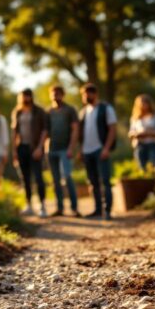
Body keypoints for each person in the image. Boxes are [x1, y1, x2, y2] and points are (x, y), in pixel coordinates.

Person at [79, 83, 118, 220]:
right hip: (87, 151)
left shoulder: (106, 108)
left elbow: (112, 129)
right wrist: (81, 150)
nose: (85, 97)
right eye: (83, 94)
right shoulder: (84, 112)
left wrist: (106, 148)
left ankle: (107, 211)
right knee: (93, 182)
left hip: (100, 150)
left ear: (95, 94)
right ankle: (97, 210)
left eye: (88, 93)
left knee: (105, 181)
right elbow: (81, 133)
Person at [12, 89, 49, 217]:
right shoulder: (18, 111)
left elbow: (45, 131)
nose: (25, 99)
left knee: (38, 177)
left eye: (27, 96)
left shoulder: (39, 111)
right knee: (25, 178)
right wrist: (14, 151)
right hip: (22, 148)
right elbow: (15, 133)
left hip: (35, 149)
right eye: (23, 96)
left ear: (31, 97)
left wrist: (40, 148)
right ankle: (29, 205)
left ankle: (43, 206)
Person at [45, 85, 81, 217]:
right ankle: (59, 208)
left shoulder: (70, 110)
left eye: (58, 94)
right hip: (51, 149)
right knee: (55, 180)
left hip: (65, 149)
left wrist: (71, 147)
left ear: (62, 95)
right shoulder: (49, 112)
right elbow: (45, 131)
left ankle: (74, 208)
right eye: (53, 94)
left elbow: (75, 129)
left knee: (67, 177)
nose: (56, 96)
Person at [129, 94, 155, 170]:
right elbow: (131, 132)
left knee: (154, 165)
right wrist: (137, 134)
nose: (143, 105)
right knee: (142, 167)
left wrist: (146, 133)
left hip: (153, 144)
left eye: (145, 103)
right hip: (140, 145)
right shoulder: (135, 118)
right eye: (141, 103)